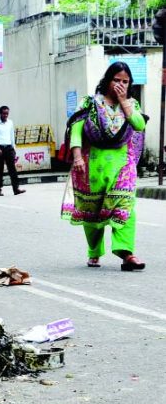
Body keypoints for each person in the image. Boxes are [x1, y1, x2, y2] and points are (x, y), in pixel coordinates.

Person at [63, 61, 146, 271]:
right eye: (116, 80)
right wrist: (77, 157)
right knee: (92, 211)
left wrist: (123, 101)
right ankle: (94, 251)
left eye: (125, 81)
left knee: (126, 205)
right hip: (93, 164)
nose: (120, 84)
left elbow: (139, 124)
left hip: (122, 164)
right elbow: (76, 128)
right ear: (107, 80)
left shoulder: (132, 105)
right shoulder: (90, 103)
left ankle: (126, 254)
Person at [0, 105, 25, 196]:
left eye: (7, 113)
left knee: (12, 169)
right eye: (4, 113)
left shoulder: (10, 123)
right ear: (0, 113)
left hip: (9, 148)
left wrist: (14, 148)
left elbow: (12, 135)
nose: (5, 115)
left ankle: (16, 188)